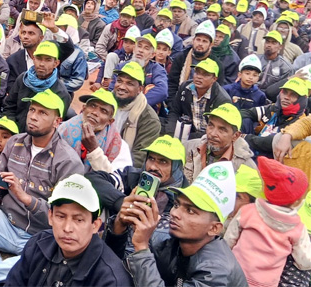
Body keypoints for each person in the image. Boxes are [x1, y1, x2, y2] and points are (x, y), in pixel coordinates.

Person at [0, 90, 85, 287]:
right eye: (32, 110)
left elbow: (64, 217)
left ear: (57, 121)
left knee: (55, 252)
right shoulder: (15, 142)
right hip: (6, 222)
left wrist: (25, 197)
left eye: (43, 113)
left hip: (41, 236)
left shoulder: (68, 161)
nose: (34, 117)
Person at [105, 162, 248, 287]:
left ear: (214, 228)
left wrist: (142, 247)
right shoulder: (169, 242)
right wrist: (120, 225)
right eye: (177, 204)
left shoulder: (217, 271)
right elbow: (117, 269)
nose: (175, 213)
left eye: (190, 211)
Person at [5, 174, 134, 287]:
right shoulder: (37, 244)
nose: (67, 228)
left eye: (78, 220)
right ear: (50, 217)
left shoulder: (110, 278)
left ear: (95, 225)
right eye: (61, 217)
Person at [225, 156, 311, 287]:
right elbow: (304, 261)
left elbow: (228, 241)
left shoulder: (248, 211)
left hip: (234, 274)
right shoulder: (297, 228)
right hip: (266, 283)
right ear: (298, 201)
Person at [3, 41, 72, 132]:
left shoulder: (60, 92)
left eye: (48, 60)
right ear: (34, 59)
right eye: (39, 58)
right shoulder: (23, 79)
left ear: (56, 63)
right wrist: (12, 129)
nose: (42, 64)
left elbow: (56, 124)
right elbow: (9, 106)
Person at [58, 88, 132, 172]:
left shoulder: (119, 146)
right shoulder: (64, 129)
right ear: (84, 108)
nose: (95, 113)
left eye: (103, 111)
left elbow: (116, 179)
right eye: (92, 106)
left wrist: (94, 150)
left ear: (110, 121)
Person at [183, 103, 256, 183]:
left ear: (235, 136)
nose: (213, 134)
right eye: (211, 125)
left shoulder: (246, 167)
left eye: (222, 129)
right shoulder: (189, 148)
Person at [165, 59, 232, 141]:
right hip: (186, 131)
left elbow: (219, 130)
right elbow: (174, 112)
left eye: (205, 74)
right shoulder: (185, 87)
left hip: (209, 138)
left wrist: (187, 138)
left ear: (214, 79)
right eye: (197, 72)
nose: (199, 77)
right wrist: (171, 134)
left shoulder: (222, 100)